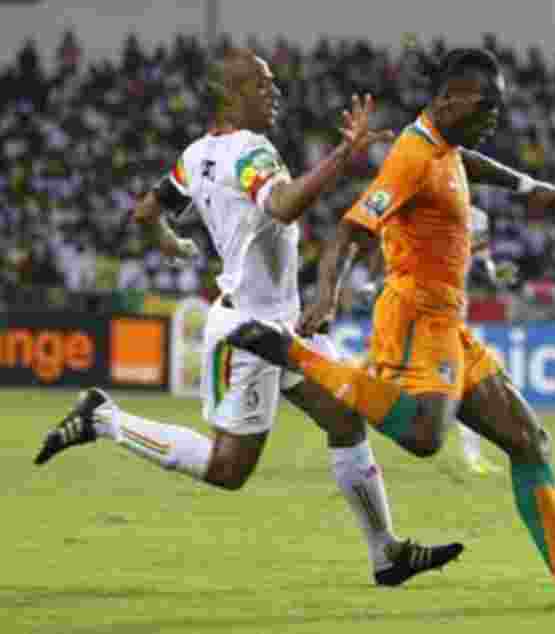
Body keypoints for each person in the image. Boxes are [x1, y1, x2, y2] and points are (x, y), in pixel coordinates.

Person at [33, 48, 462, 586]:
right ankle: (103, 418)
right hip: (249, 334)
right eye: (262, 85)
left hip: (282, 327)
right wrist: (344, 153)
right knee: (227, 469)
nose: (274, 93)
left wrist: (169, 242)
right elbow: (282, 205)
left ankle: (386, 554)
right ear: (230, 95)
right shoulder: (251, 152)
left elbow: (145, 209)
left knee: (345, 418)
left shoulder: (194, 155)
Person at [227, 48, 555, 609]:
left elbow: (469, 165)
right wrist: (326, 294)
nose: (497, 115)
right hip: (412, 316)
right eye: (488, 104)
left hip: (448, 319)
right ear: (449, 99)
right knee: (422, 435)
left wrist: (526, 185)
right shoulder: (411, 156)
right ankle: (293, 355)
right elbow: (349, 231)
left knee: (528, 440)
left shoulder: (447, 148)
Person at [305, 205, 515, 476]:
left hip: (450, 316)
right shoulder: (422, 208)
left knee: (462, 384)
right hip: (417, 313)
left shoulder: (478, 218)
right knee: (387, 373)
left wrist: (496, 273)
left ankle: (472, 456)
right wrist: (372, 281)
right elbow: (388, 246)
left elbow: (482, 261)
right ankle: (332, 376)